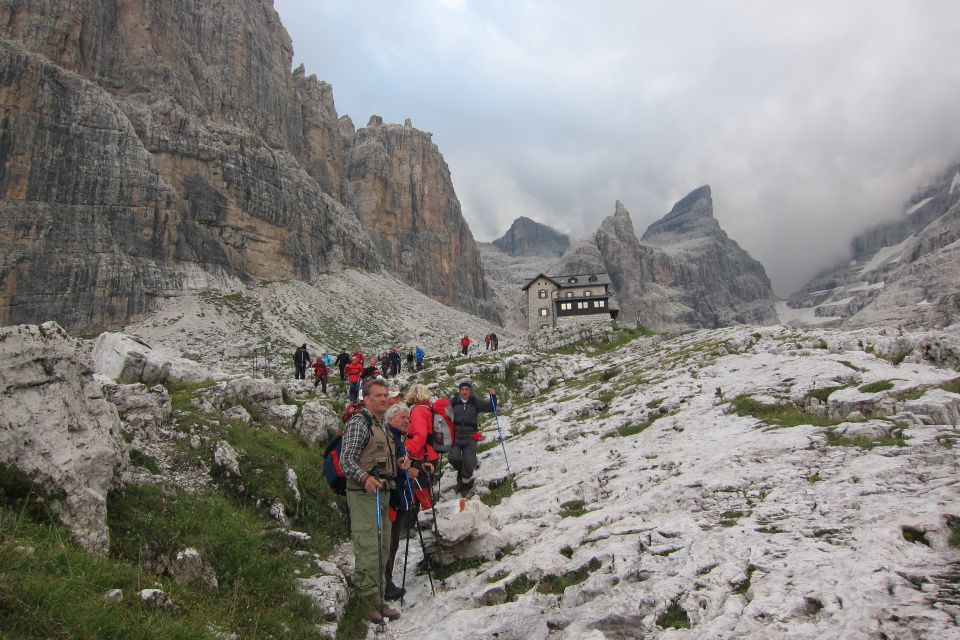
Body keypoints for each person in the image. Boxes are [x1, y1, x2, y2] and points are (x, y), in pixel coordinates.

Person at [340, 378, 407, 624]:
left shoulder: (383, 426)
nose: (383, 398)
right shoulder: (360, 423)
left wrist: (398, 464)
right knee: (368, 546)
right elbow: (346, 459)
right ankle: (366, 601)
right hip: (363, 494)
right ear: (366, 399)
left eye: (385, 395)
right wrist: (365, 477)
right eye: (377, 395)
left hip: (383, 492)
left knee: (382, 547)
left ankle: (378, 599)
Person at [383, 403, 416, 602]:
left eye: (408, 418)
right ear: (390, 418)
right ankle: (385, 585)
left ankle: (386, 582)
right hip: (393, 498)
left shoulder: (396, 438)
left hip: (399, 497)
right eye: (403, 417)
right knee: (390, 542)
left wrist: (412, 469)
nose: (407, 421)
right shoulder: (390, 439)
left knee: (393, 542)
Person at [449, 381, 495, 494]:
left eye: (467, 389)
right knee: (453, 458)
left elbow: (491, 407)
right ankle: (461, 471)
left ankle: (464, 484)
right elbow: (443, 412)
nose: (464, 392)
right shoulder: (454, 402)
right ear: (459, 391)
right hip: (456, 437)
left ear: (470, 391)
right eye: (462, 389)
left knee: (469, 461)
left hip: (470, 436)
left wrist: (493, 396)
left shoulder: (475, 401)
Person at [404, 384, 440, 476]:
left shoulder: (418, 410)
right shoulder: (428, 408)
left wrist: (408, 451)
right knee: (426, 487)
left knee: (419, 488)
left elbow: (421, 435)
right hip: (431, 453)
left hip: (422, 456)